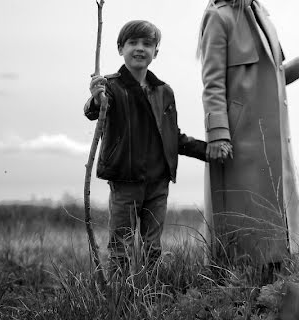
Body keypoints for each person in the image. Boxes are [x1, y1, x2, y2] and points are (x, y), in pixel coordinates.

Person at [199, 0, 299, 272]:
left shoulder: (263, 15)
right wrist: (218, 134)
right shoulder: (218, 18)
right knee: (241, 216)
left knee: (273, 214)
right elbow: (212, 83)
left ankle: (271, 280)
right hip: (240, 138)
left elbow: (275, 76)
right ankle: (235, 284)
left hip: (273, 139)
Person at [85, 20, 208, 275]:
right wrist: (96, 100)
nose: (140, 48)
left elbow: (172, 136)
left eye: (147, 44)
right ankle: (118, 298)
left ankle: (148, 295)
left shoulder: (164, 91)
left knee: (152, 246)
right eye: (133, 43)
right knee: (121, 244)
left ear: (156, 52)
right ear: (120, 48)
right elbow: (91, 111)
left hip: (158, 182)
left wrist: (207, 151)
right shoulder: (110, 86)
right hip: (125, 180)